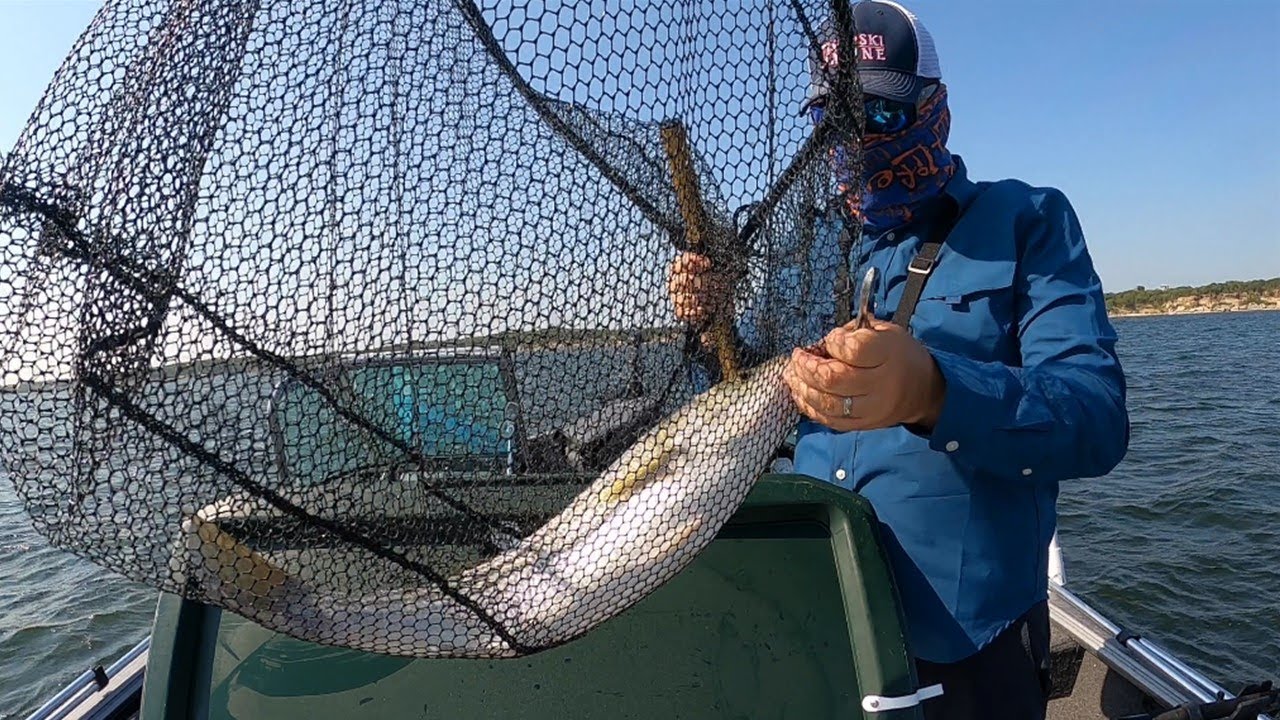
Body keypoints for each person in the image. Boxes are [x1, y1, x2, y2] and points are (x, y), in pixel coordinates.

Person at [667, 1, 1129, 718]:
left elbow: (1095, 418)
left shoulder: (1029, 220)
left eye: (880, 116)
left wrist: (935, 392)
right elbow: (750, 393)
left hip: (970, 647)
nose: (856, 143)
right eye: (836, 122)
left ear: (933, 110)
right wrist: (708, 328)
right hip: (818, 620)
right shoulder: (809, 252)